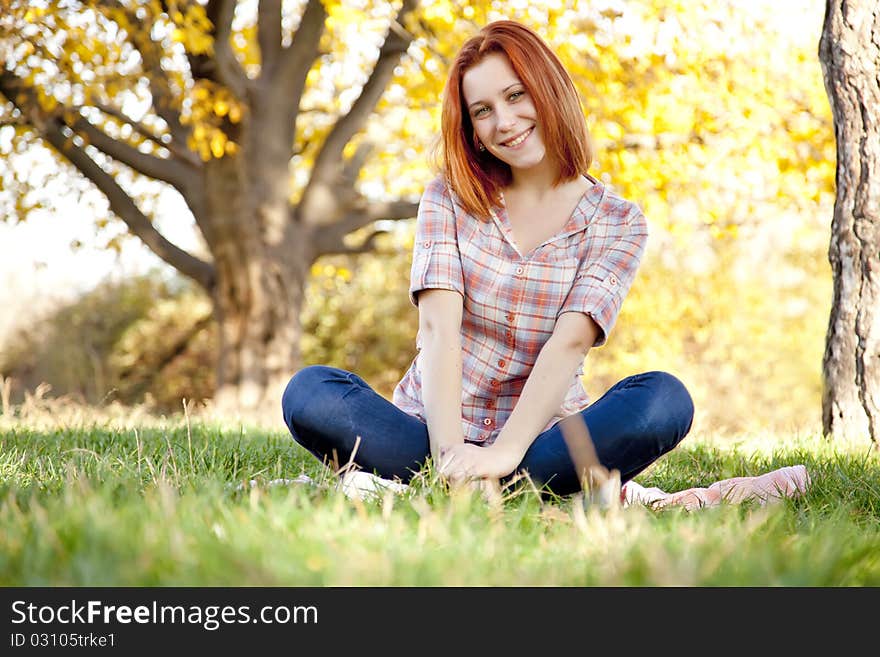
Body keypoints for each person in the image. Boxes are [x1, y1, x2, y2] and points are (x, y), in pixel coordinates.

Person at [281, 20, 695, 497]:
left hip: (540, 442)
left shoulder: (619, 222)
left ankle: (497, 480)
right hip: (430, 435)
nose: (504, 122)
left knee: (664, 400)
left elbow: (569, 345)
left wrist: (502, 454)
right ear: (473, 130)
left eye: (516, 95)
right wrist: (451, 456)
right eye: (483, 110)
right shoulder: (449, 198)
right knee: (310, 392)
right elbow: (439, 330)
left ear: (549, 89)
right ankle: (509, 489)